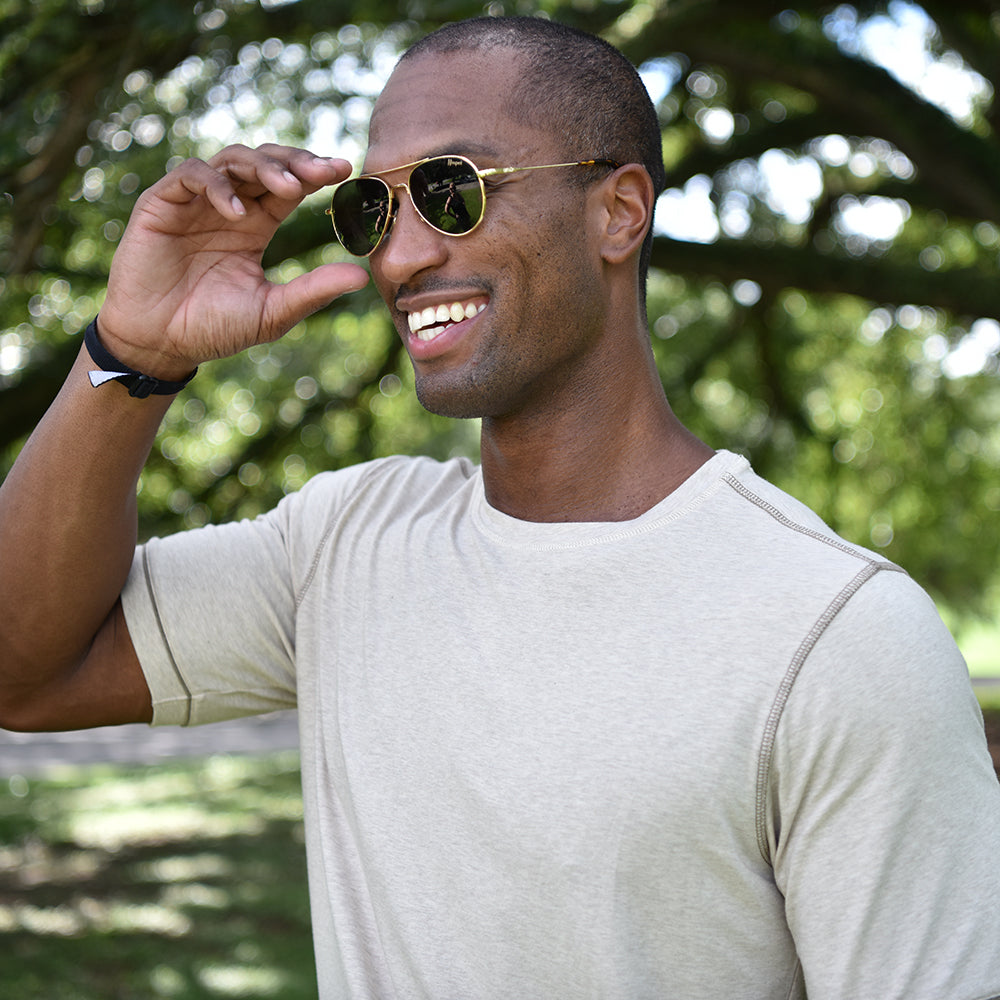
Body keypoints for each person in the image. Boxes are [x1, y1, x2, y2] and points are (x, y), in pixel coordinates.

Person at [1, 15, 998, 1000]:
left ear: (619, 210)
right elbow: (22, 673)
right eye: (372, 210)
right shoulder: (342, 547)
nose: (397, 260)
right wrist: (135, 350)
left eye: (451, 192)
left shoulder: (839, 635)